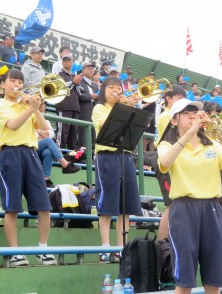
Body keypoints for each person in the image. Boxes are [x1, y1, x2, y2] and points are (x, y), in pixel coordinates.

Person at [157, 98, 222, 294]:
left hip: (212, 208)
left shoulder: (212, 145)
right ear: (174, 120)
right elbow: (165, 163)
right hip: (183, 209)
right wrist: (190, 133)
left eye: (195, 112)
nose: (193, 116)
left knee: (214, 277)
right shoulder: (167, 145)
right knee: (184, 279)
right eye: (186, 113)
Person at [0, 69, 57, 267]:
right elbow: (12, 126)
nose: (17, 85)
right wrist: (29, 109)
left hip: (30, 154)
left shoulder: (25, 105)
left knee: (44, 206)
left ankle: (42, 249)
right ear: (3, 84)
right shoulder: (1, 105)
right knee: (12, 207)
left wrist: (35, 107)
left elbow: (45, 129)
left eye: (19, 82)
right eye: (12, 81)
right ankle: (14, 253)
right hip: (10, 155)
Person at [92, 76, 141, 263]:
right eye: (111, 87)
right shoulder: (99, 108)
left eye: (118, 88)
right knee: (106, 206)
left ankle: (122, 248)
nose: (116, 91)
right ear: (103, 91)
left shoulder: (127, 109)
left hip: (125, 156)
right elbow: (106, 127)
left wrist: (129, 108)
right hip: (107, 157)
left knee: (125, 207)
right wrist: (122, 108)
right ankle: (105, 247)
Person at [154, 84, 186, 241]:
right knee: (172, 204)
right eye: (179, 98)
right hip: (166, 159)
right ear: (168, 99)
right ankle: (162, 245)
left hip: (175, 159)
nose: (182, 102)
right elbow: (168, 140)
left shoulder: (173, 115)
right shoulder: (167, 116)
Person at [36, 102, 80, 188]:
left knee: (48, 152)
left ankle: (46, 179)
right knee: (48, 141)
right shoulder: (29, 115)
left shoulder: (45, 119)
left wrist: (39, 132)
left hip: (39, 148)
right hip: (29, 147)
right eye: (43, 104)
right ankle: (64, 164)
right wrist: (42, 133)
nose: (45, 105)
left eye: (45, 104)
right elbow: (31, 134)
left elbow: (52, 133)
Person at [56, 53, 82, 150]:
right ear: (62, 62)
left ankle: (70, 156)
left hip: (75, 107)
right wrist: (73, 82)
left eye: (69, 60)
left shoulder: (75, 75)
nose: (67, 62)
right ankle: (58, 154)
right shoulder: (59, 75)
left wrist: (78, 85)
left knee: (73, 134)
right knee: (62, 133)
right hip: (63, 106)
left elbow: (80, 92)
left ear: (72, 62)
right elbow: (61, 88)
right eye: (64, 60)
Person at [77, 61, 99, 148]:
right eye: (88, 69)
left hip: (93, 111)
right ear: (83, 70)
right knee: (82, 133)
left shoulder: (95, 84)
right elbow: (78, 95)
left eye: (92, 69)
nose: (91, 70)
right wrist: (90, 96)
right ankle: (81, 156)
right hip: (83, 110)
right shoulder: (79, 81)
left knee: (93, 134)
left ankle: (91, 154)